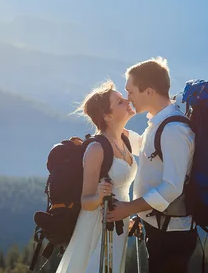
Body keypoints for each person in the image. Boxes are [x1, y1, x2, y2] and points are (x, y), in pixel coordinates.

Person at [107, 57, 198, 273]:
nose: (128, 99)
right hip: (161, 227)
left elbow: (172, 187)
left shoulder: (173, 130)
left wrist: (129, 208)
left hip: (172, 235)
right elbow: (148, 151)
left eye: (131, 92)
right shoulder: (160, 123)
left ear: (148, 91)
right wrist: (113, 131)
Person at [55, 80, 138, 273]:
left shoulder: (125, 141)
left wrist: (128, 218)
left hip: (118, 225)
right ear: (107, 116)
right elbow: (86, 201)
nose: (127, 101)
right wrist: (100, 196)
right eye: (119, 102)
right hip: (96, 230)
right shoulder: (96, 148)